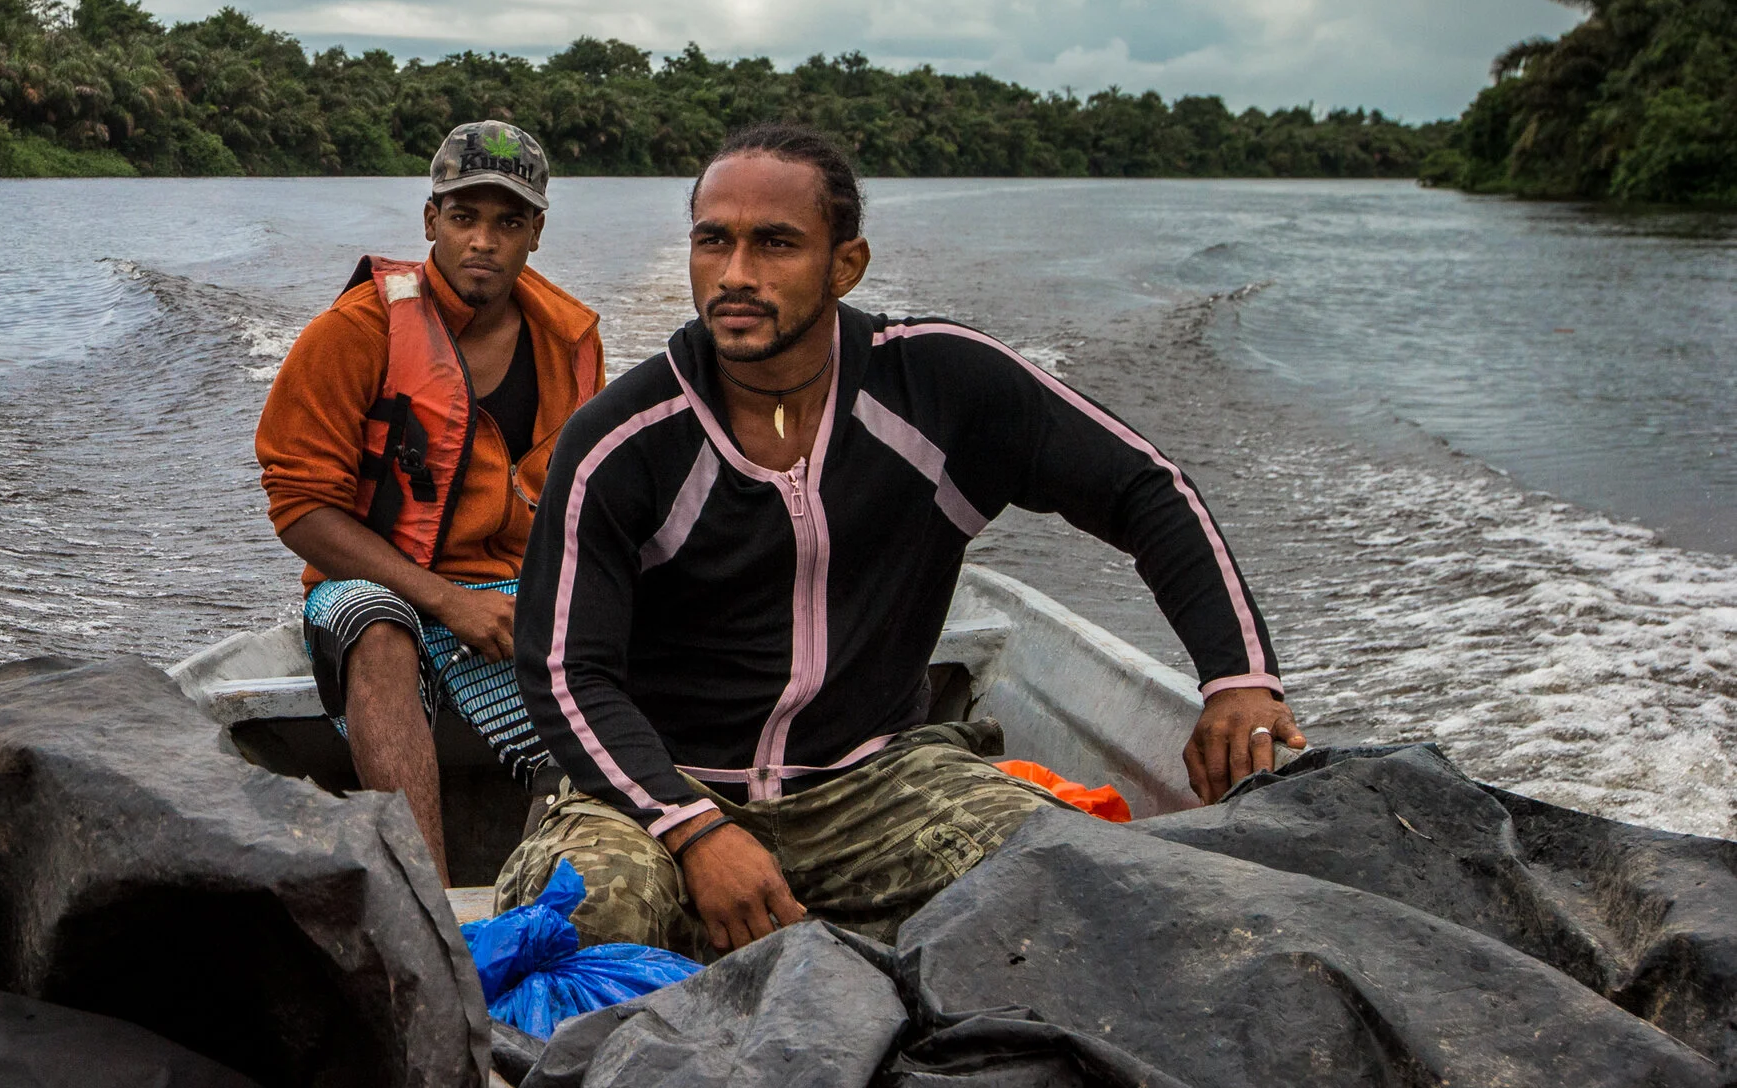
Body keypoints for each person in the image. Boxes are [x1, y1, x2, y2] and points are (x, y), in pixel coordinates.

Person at [501, 123, 1304, 956]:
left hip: (875, 785)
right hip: (652, 792)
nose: (736, 274)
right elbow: (565, 670)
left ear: (845, 265)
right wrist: (693, 826)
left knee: (1068, 883)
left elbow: (1143, 489)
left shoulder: (939, 385)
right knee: (584, 925)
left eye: (775, 243)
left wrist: (1238, 678)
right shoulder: (621, 441)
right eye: (714, 241)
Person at [256, 121, 605, 881]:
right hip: (370, 579)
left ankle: (557, 876)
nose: (483, 240)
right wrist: (446, 601)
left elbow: (588, 501)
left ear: (535, 233)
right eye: (463, 217)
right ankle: (429, 898)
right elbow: (299, 508)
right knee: (378, 632)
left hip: (508, 582)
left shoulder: (570, 341)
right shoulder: (355, 331)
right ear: (430, 221)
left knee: (616, 647)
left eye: (508, 222)